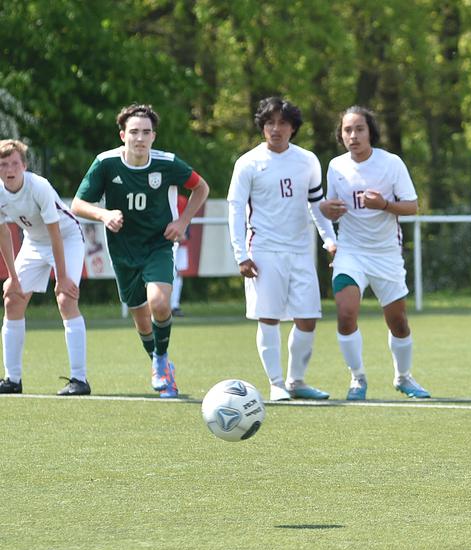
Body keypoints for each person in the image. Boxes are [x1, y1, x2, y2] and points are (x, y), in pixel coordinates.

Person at [71, 104, 210, 398]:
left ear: (153, 136)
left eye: (146, 132)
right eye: (134, 132)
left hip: (158, 244)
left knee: (159, 303)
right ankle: (161, 366)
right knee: (141, 317)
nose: (140, 137)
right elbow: (78, 204)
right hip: (122, 249)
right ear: (123, 135)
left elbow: (201, 188)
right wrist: (105, 215)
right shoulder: (105, 163)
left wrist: (182, 221)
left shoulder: (168, 164)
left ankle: (161, 361)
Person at [228, 96, 337, 402]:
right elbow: (235, 209)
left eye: (282, 123)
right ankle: (276, 383)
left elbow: (316, 203)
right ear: (262, 127)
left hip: (301, 250)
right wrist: (241, 254)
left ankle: (296, 381)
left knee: (307, 318)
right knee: (269, 317)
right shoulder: (248, 163)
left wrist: (330, 240)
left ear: (293, 128)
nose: (275, 129)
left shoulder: (307, 160)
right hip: (264, 250)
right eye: (269, 123)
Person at [320, 106, 430, 401]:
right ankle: (357, 379)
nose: (353, 136)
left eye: (359, 129)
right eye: (347, 130)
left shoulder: (391, 163)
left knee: (398, 322)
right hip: (351, 252)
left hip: (386, 254)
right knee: (345, 314)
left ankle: (403, 377)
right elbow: (328, 207)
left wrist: (383, 205)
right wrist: (327, 210)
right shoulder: (336, 166)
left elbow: (411, 206)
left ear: (371, 132)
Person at [0, 139, 89, 396]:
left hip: (66, 238)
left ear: (24, 166)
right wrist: (13, 278)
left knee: (65, 298)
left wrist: (61, 277)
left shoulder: (39, 186)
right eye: (3, 164)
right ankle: (12, 380)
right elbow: (4, 235)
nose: (9, 169)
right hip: (34, 242)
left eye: (14, 163)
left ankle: (79, 380)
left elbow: (56, 233)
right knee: (12, 299)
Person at [170, 193, 189, 317]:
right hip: (163, 243)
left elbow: (185, 220)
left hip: (178, 243)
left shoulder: (181, 200)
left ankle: (174, 305)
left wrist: (181, 235)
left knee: (177, 274)